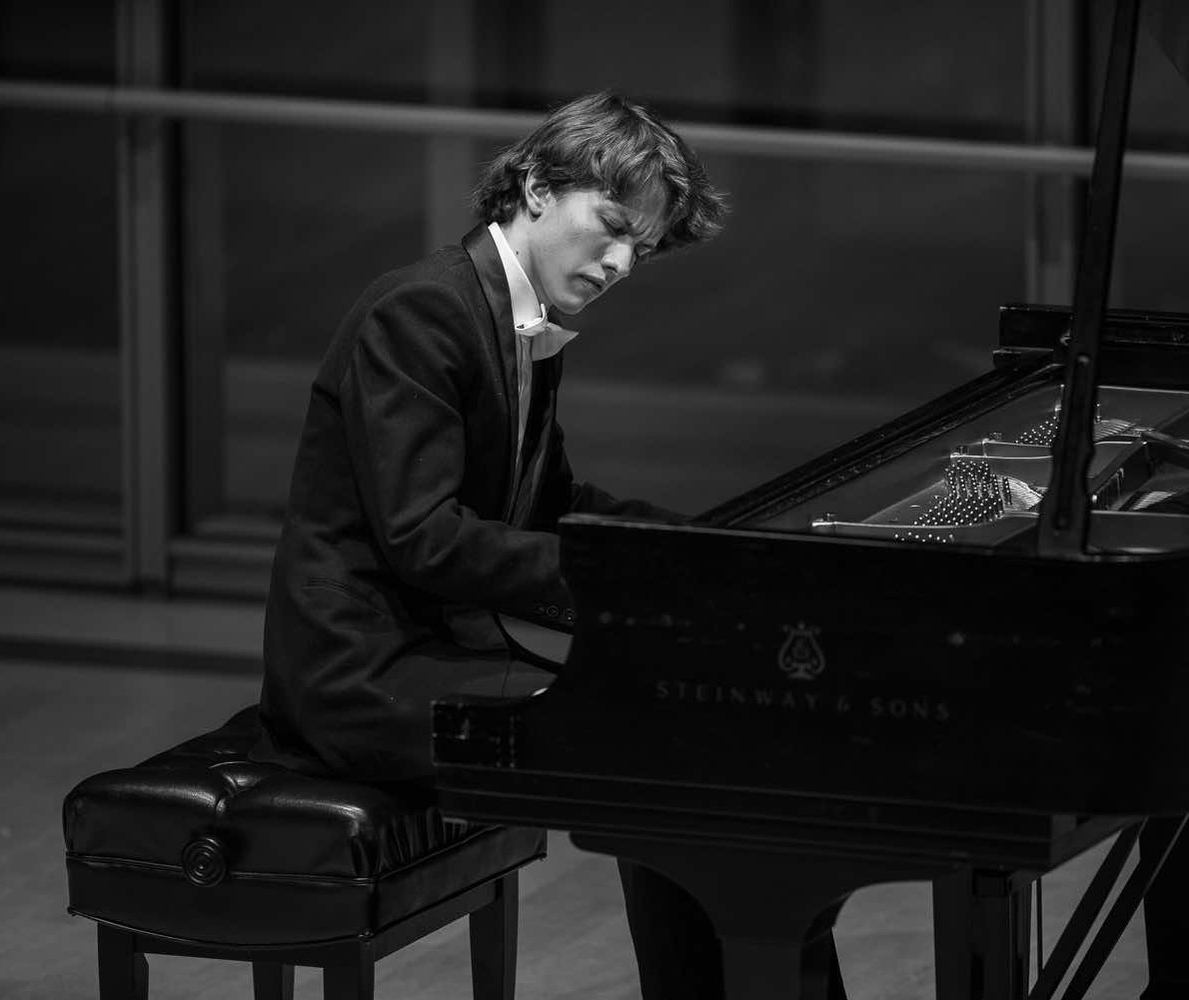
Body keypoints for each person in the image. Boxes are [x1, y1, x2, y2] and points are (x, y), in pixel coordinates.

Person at [249, 90, 842, 999]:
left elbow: (552, 506)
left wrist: (700, 550)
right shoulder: (421, 312)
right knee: (660, 734)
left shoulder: (512, 323)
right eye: (613, 228)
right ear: (535, 188)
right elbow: (424, 539)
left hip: (440, 645)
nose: (620, 264)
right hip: (362, 675)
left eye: (640, 249)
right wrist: (632, 573)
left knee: (698, 721)